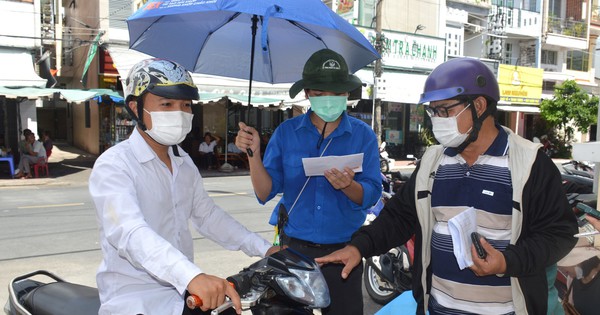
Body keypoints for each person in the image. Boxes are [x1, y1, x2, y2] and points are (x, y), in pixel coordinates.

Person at [316, 57, 578, 314]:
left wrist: (507, 261)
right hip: (440, 308)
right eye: (433, 111)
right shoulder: (432, 163)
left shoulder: (529, 163)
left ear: (478, 105)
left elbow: (560, 234)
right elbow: (398, 217)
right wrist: (358, 247)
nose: (437, 119)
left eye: (445, 110)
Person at [89, 58, 278, 315]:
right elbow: (130, 233)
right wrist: (191, 276)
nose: (178, 113)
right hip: (135, 300)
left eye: (185, 105)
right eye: (166, 104)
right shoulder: (114, 165)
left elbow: (208, 216)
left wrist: (265, 249)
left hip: (183, 296)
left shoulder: (183, 162)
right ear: (135, 107)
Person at [235, 48, 382, 315]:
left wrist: (348, 185)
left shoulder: (363, 135)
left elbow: (371, 195)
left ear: (347, 94)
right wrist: (253, 155)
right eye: (320, 93)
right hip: (294, 249)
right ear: (307, 94)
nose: (329, 100)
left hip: (344, 250)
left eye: (337, 93)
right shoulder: (286, 133)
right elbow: (265, 192)